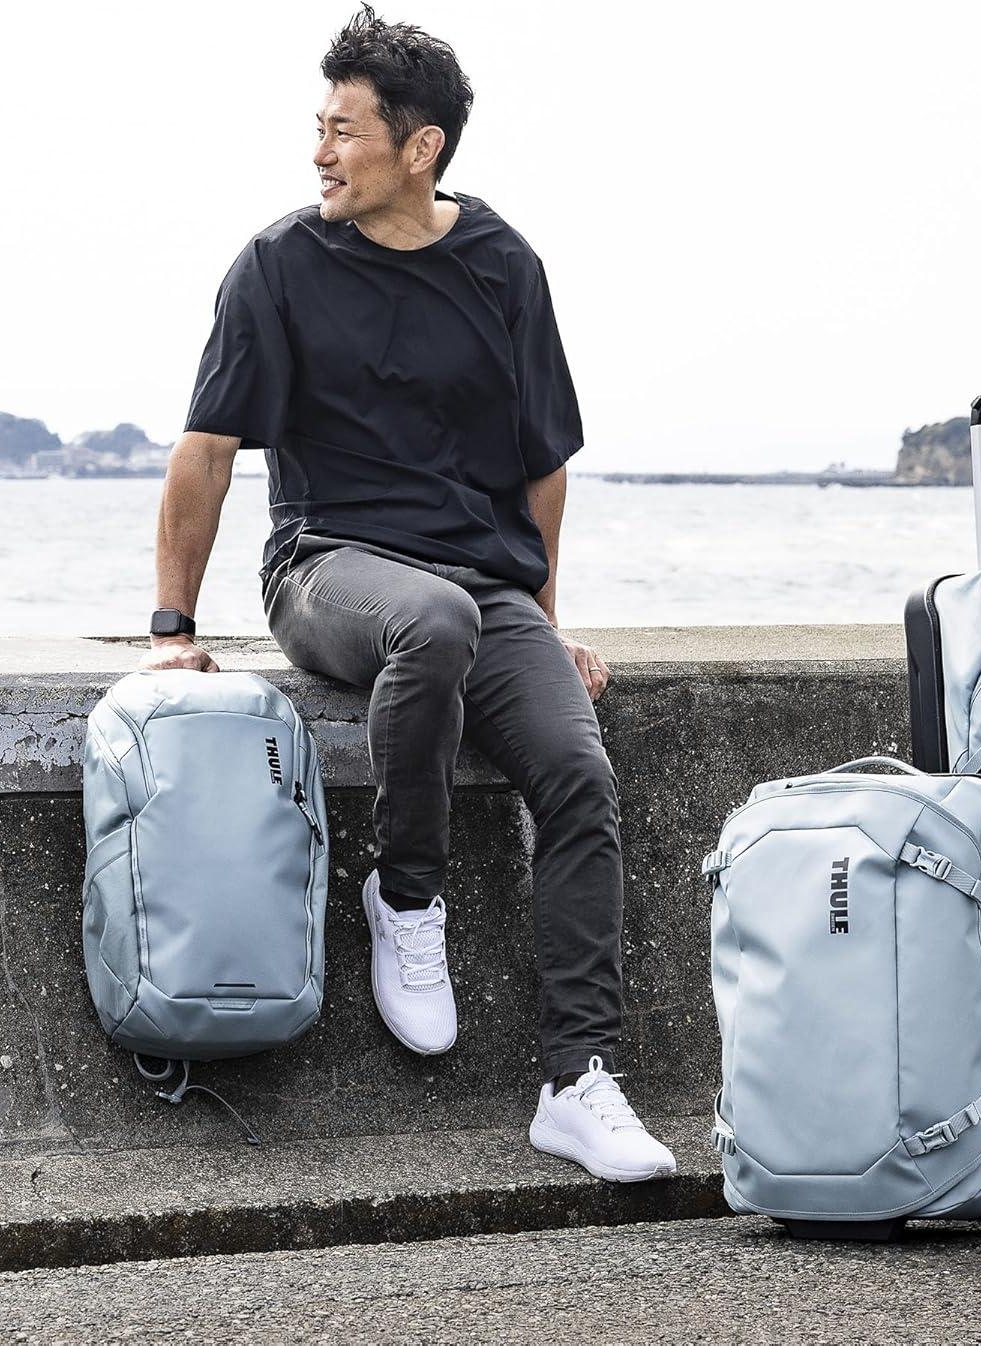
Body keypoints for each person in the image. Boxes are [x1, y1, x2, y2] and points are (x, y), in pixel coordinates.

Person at [141, 5, 675, 1183]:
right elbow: (207, 452)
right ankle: (409, 895)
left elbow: (543, 465)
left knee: (578, 775)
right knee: (432, 621)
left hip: (483, 583)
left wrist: (544, 616)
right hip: (327, 565)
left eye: (344, 131)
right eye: (318, 127)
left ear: (420, 147)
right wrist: (173, 628)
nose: (319, 153)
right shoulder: (279, 266)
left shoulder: (503, 266)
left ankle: (578, 1082)